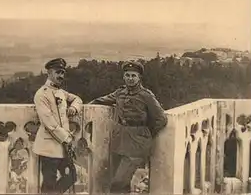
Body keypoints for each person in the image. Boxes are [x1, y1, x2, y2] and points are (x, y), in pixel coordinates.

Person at [88, 61, 168, 193]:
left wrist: (146, 134)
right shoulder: (120, 93)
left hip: (137, 143)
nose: (130, 78)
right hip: (119, 141)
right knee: (122, 182)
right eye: (127, 75)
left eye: (133, 76)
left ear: (139, 78)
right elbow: (101, 100)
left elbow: (161, 119)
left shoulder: (146, 95)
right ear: (123, 77)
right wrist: (85, 106)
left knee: (118, 182)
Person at [33, 58, 83, 194]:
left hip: (62, 146)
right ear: (49, 73)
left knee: (71, 175)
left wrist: (74, 108)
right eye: (58, 72)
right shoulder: (41, 94)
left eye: (63, 73)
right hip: (48, 146)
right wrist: (67, 138)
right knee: (49, 181)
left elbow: (78, 99)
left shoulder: (61, 92)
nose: (61, 76)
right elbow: (50, 124)